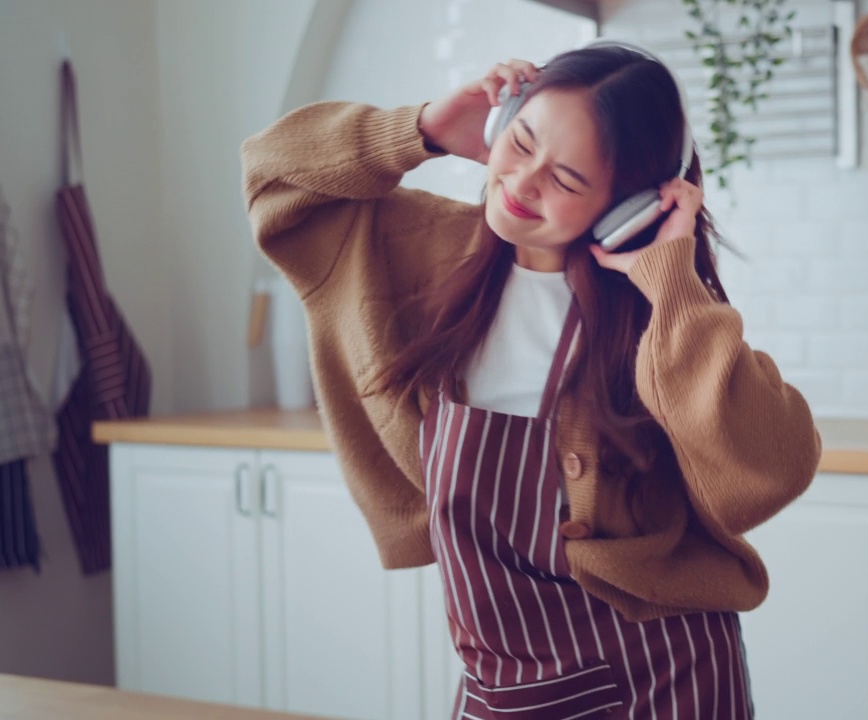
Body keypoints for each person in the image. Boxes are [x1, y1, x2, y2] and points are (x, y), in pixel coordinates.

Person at [242, 40, 820, 719]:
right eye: (520, 142)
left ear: (626, 205)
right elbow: (274, 176)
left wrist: (674, 281)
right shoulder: (412, 249)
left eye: (567, 180)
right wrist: (422, 130)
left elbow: (771, 469)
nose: (521, 183)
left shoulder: (663, 317)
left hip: (668, 677)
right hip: (503, 680)